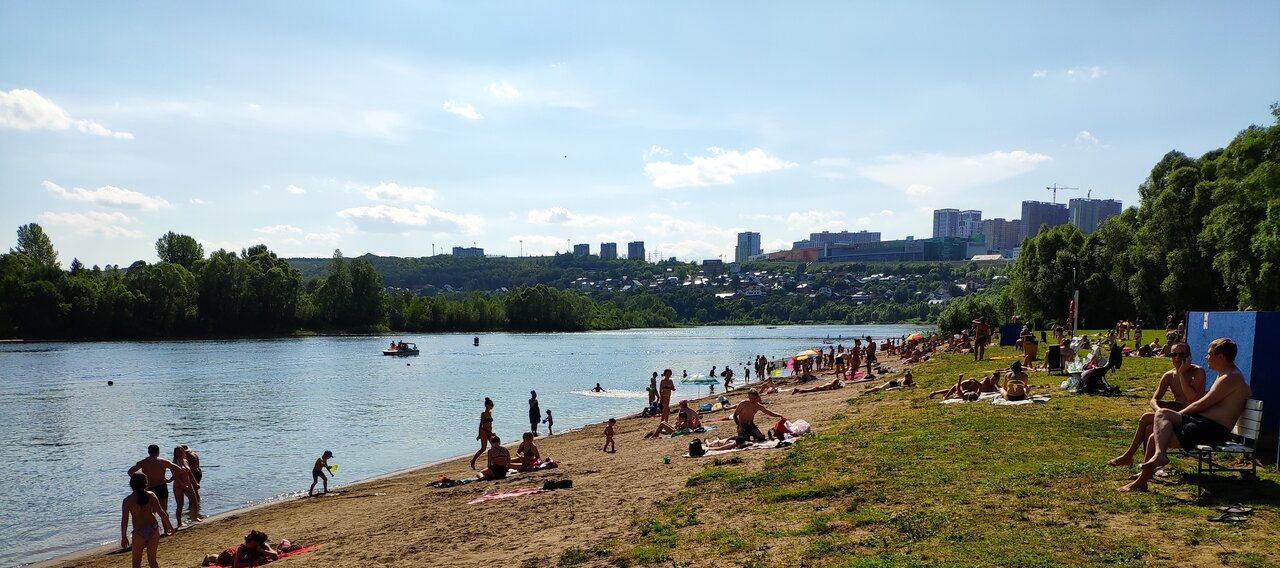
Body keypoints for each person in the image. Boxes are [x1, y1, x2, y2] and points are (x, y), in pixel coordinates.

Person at [1120, 338, 1253, 492]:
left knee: (1162, 416)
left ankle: (1155, 460)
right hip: (1203, 424)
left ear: (1221, 357)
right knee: (1154, 432)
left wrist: (1178, 416)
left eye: (1209, 354)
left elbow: (1200, 404)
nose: (1206, 357)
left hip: (1212, 430)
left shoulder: (1230, 377)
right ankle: (1143, 479)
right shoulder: (1226, 375)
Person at [1108, 343, 1208, 468]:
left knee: (1146, 418)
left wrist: (1181, 373)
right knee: (1150, 428)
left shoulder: (1198, 372)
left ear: (1189, 356)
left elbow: (1191, 397)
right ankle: (1148, 467)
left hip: (1192, 418)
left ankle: (1129, 456)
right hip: (1176, 415)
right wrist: (1159, 411)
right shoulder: (1169, 375)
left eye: (1181, 355)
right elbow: (1154, 399)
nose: (1177, 358)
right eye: (1173, 355)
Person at [121, 473, 173, 568]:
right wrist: (169, 525)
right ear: (145, 483)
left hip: (139, 532)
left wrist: (124, 537)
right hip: (153, 529)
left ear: (131, 484)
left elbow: (124, 521)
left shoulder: (128, 500)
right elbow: (161, 512)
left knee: (136, 562)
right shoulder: (151, 495)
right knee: (152, 561)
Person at [127, 445, 183, 529]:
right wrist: (170, 480)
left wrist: (139, 482)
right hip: (161, 487)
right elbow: (179, 470)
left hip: (149, 488)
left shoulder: (143, 462)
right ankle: (166, 529)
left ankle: (153, 529)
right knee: (163, 510)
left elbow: (130, 472)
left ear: (148, 452)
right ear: (158, 452)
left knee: (151, 511)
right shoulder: (163, 461)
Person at [205, 530, 279, 568]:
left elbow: (275, 556)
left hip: (240, 556)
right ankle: (208, 557)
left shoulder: (263, 546)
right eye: (246, 539)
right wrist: (254, 562)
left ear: (258, 543)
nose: (246, 541)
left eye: (249, 540)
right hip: (230, 556)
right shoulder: (242, 548)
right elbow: (236, 565)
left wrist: (261, 550)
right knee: (218, 559)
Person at [171, 446, 199, 527]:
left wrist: (195, 483)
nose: (179, 454)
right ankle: (179, 523)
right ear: (175, 454)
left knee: (194, 501)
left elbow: (189, 474)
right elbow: (175, 476)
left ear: (183, 452)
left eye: (180, 452)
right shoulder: (174, 463)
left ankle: (196, 517)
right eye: (177, 452)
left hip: (188, 484)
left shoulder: (185, 460)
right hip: (178, 485)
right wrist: (182, 484)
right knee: (180, 505)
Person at [469, 398, 495, 469]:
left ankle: (493, 462)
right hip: (484, 431)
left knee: (494, 446)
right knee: (483, 448)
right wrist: (479, 434)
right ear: (487, 405)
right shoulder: (483, 414)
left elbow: (490, 424)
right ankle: (473, 460)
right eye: (491, 404)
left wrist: (491, 432)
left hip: (489, 432)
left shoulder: (490, 413)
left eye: (492, 404)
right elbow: (481, 424)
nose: (492, 406)